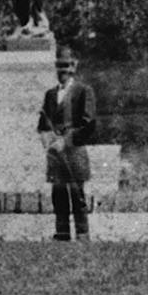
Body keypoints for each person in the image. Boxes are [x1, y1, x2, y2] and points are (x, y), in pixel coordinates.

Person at [37, 47, 97, 241]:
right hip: (55, 153)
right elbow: (43, 123)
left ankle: (82, 234)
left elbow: (89, 124)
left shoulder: (83, 91)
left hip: (74, 152)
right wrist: (47, 140)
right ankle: (62, 234)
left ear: (74, 67)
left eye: (67, 66)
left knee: (77, 195)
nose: (63, 71)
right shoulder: (50, 95)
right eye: (60, 67)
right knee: (58, 195)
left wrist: (67, 140)